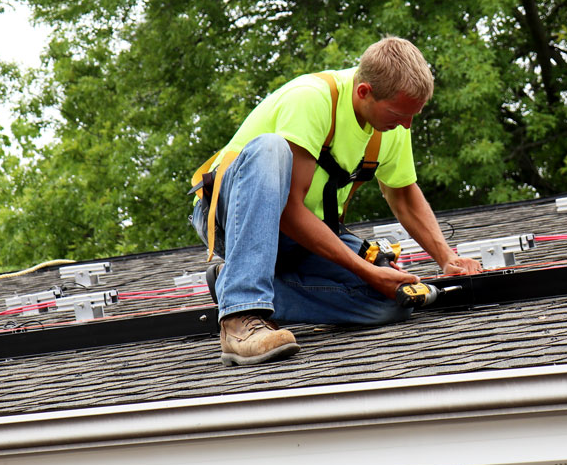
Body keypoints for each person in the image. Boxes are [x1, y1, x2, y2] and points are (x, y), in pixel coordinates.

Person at [189, 36, 482, 366]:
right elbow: (287, 211)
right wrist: (365, 271)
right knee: (270, 148)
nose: (407, 125)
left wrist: (447, 258)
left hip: (299, 236)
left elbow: (402, 194)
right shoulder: (312, 100)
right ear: (364, 93)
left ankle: (232, 283)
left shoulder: (392, 123)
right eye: (400, 113)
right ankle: (240, 316)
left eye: (414, 114)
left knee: (393, 301)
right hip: (236, 218)